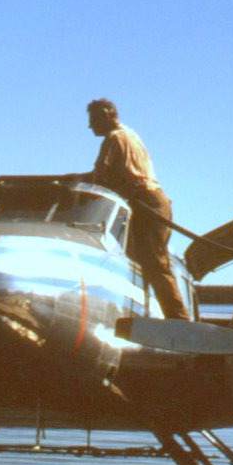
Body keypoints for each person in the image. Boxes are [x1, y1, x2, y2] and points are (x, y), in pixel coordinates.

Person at [69, 98, 190, 320]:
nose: (90, 126)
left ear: (106, 115)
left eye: (93, 119)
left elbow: (100, 177)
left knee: (155, 263)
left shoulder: (114, 138)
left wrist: (73, 181)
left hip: (147, 203)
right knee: (139, 260)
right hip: (154, 202)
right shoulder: (131, 135)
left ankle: (178, 320)